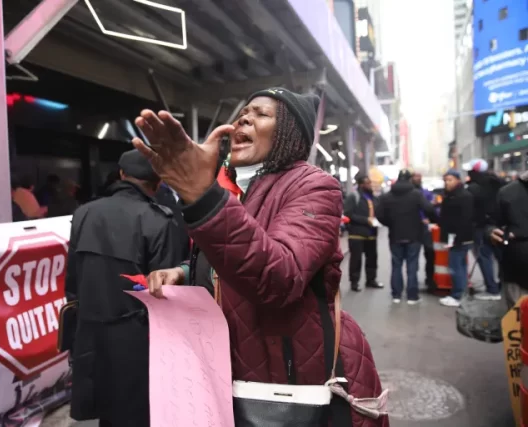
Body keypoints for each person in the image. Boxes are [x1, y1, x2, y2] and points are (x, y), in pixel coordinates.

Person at [134, 88, 389, 427]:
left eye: (261, 113)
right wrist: (184, 271)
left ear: (289, 133)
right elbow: (232, 255)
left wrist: (202, 196)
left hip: (289, 376)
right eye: (243, 112)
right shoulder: (233, 188)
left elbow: (279, 277)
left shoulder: (314, 185)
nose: (244, 117)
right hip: (234, 368)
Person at [64, 149, 185, 427]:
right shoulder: (158, 220)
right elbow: (165, 295)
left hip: (90, 334)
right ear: (157, 183)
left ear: (121, 174)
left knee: (106, 414)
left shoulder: (83, 213)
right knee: (139, 414)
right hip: (137, 343)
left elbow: (73, 281)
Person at [376, 169, 437, 305]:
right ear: (410, 180)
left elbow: (379, 214)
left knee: (396, 265)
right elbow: (429, 209)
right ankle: (412, 296)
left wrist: (390, 223)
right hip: (414, 235)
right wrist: (429, 220)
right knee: (412, 265)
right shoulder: (416, 194)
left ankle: (396, 295)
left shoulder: (387, 196)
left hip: (395, 235)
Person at [487, 171, 528, 309]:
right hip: (516, 273)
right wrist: (491, 232)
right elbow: (492, 223)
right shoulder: (507, 192)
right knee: (518, 324)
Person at [463, 159, 503, 300]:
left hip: (480, 227)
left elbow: (468, 210)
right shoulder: (499, 183)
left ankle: (492, 290)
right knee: (500, 257)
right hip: (499, 226)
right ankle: (501, 287)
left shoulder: (472, 188)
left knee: (484, 256)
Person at [437, 169, 475, 307]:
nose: (447, 183)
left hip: (459, 237)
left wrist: (457, 238)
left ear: (458, 180)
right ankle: (462, 294)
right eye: (446, 180)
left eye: (450, 180)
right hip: (456, 236)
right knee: (461, 266)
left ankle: (457, 295)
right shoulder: (451, 195)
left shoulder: (463, 196)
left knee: (455, 266)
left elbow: (465, 219)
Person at [344, 173, 382, 292]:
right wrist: (366, 220)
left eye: (370, 183)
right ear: (361, 184)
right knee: (356, 259)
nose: (370, 185)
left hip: (371, 233)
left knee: (372, 258)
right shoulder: (353, 196)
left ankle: (371, 280)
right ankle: (354, 282)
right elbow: (348, 214)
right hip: (357, 233)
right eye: (367, 183)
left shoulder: (373, 197)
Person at [411, 171, 437, 290]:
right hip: (415, 228)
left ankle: (429, 278)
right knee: (413, 257)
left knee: (430, 254)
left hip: (426, 228)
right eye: (416, 176)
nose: (418, 178)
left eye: (419, 176)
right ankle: (413, 282)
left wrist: (429, 219)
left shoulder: (426, 192)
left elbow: (431, 208)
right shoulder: (410, 193)